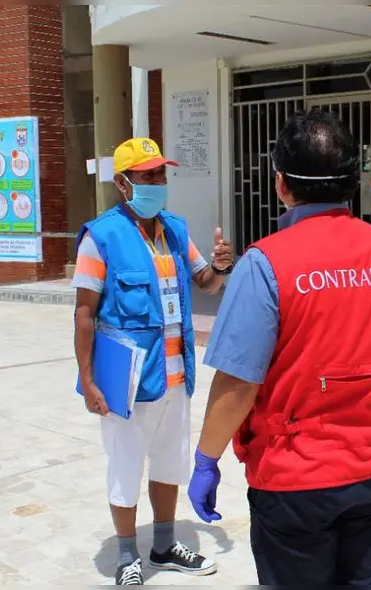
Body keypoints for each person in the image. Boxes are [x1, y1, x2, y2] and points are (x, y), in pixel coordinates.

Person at [185, 109, 371, 585]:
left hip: (295, 476)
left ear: (281, 184)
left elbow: (237, 383)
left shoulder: (266, 263)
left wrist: (206, 460)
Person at [72, 137, 234, 585]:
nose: (158, 183)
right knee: (125, 468)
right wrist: (88, 381)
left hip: (176, 376)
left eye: (161, 174)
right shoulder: (100, 236)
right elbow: (85, 313)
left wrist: (221, 266)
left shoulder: (176, 229)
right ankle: (128, 556)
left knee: (169, 464)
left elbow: (205, 282)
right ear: (124, 184)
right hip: (127, 380)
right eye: (147, 177)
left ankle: (163, 546)